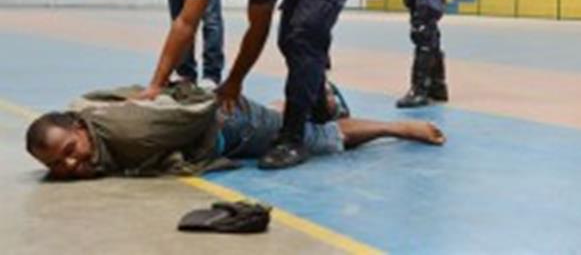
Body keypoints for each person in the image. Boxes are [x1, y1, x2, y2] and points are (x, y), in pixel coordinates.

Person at [137, 0, 372, 169]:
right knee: (293, 37)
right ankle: (322, 108)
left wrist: (235, 81)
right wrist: (156, 84)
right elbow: (185, 23)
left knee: (302, 32)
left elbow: (258, 27)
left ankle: (293, 138)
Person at [25, 85, 445, 180]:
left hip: (233, 125)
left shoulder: (130, 131)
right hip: (231, 116)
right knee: (281, 119)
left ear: (79, 129)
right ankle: (309, 99)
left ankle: (397, 127)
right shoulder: (85, 117)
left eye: (69, 149)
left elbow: (195, 113)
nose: (69, 162)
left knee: (321, 140)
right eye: (56, 163)